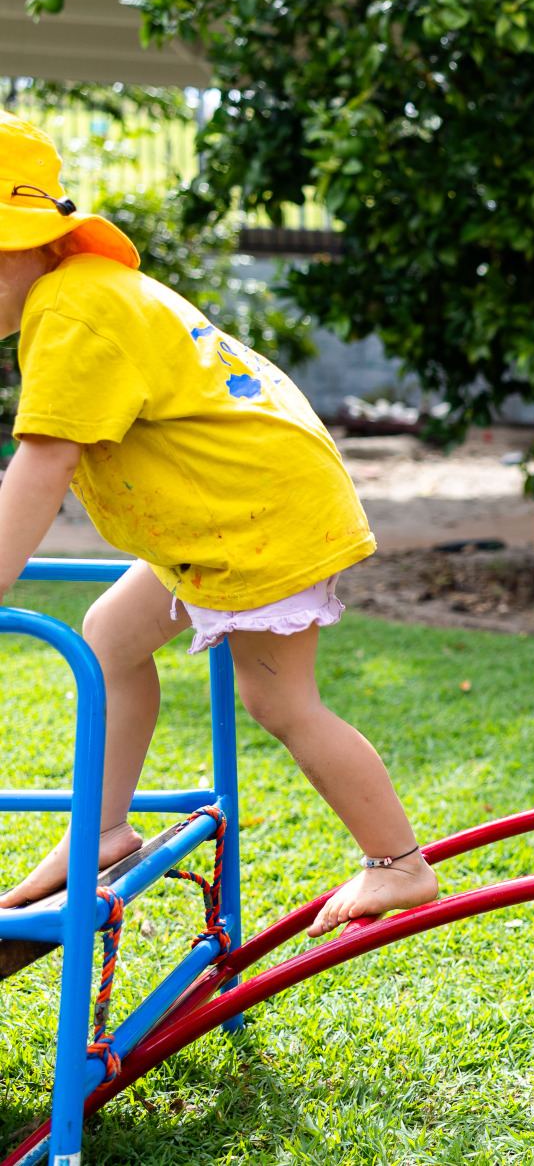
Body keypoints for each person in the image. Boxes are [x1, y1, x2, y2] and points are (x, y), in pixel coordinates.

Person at [0, 110, 436, 937]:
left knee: (283, 705)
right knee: (107, 637)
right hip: (223, 522)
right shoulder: (82, 295)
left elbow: (42, 464)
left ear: (17, 248)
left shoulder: (75, 309)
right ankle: (100, 830)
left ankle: (400, 864)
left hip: (253, 525)